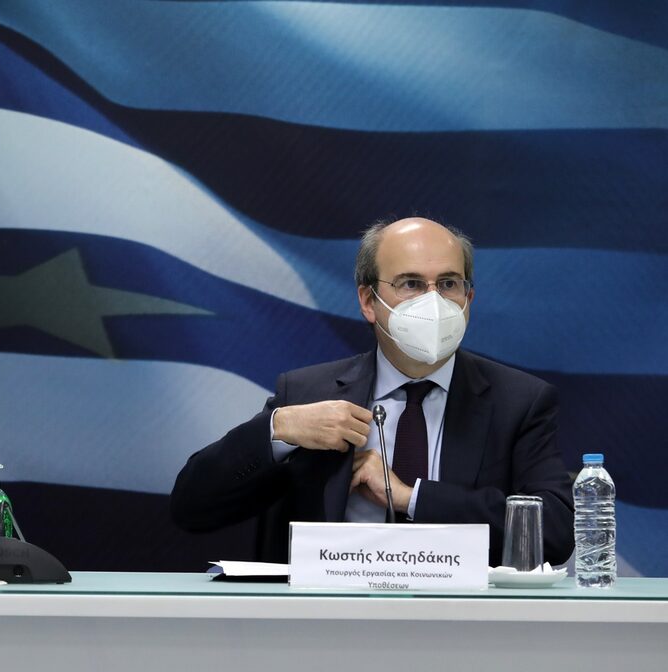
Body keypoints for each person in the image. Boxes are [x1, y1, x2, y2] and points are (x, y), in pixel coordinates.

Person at [171, 217, 573, 566]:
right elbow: (193, 508)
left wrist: (411, 498)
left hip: (460, 620)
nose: (433, 302)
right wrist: (279, 429)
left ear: (468, 299)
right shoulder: (309, 393)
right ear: (369, 301)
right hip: (329, 619)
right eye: (411, 284)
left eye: (448, 284)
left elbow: (554, 532)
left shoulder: (517, 401)